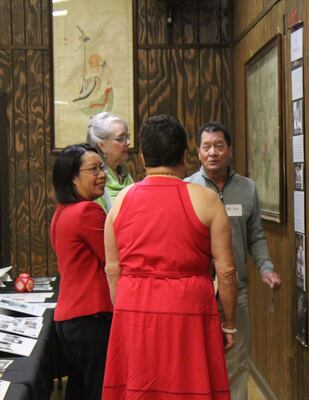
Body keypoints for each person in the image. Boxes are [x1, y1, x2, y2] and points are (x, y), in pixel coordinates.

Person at [102, 115, 238, 400]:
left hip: (134, 309)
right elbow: (225, 271)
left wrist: (125, 314)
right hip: (190, 309)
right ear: (185, 157)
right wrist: (228, 324)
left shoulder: (121, 201)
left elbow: (112, 269)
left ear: (142, 157)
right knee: (192, 388)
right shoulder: (207, 200)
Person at [186, 121, 282, 400]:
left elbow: (256, 236)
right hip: (198, 290)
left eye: (219, 146)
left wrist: (266, 268)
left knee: (236, 363)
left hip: (235, 291)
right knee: (197, 362)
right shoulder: (187, 188)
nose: (212, 153)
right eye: (206, 147)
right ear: (198, 151)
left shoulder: (247, 188)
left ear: (230, 149)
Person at [50, 144, 113, 400]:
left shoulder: (61, 212)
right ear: (72, 177)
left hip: (69, 318)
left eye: (102, 167)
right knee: (99, 390)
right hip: (90, 317)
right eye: (93, 169)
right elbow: (114, 259)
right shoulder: (88, 211)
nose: (101, 174)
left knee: (79, 389)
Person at [86, 112, 134, 212]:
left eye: (127, 137)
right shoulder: (96, 180)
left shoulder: (124, 173)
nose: (128, 143)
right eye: (120, 139)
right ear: (102, 146)